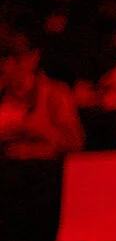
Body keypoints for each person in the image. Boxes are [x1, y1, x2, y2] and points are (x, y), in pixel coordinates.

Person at [0, 30, 84, 158]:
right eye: (5, 60)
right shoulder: (3, 94)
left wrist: (34, 146)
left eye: (17, 59)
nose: (8, 66)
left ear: (34, 58)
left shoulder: (56, 94)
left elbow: (74, 142)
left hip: (44, 167)